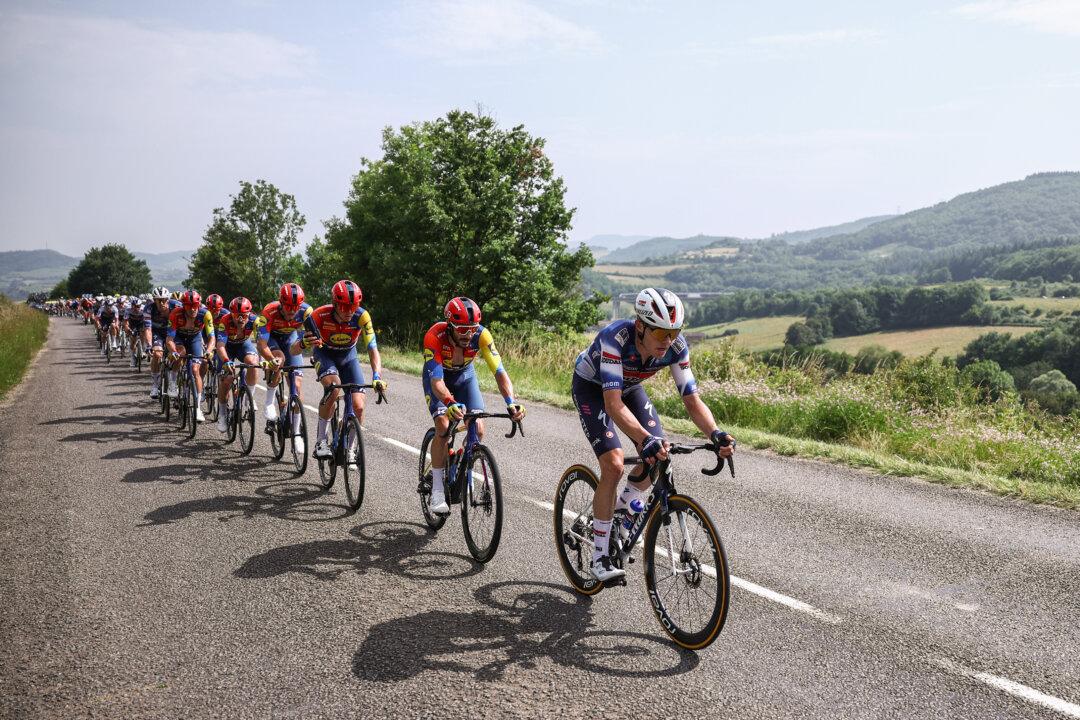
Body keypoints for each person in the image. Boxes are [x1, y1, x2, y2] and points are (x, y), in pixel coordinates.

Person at [571, 287, 735, 582]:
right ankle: (598, 558)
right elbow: (612, 404)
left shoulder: (675, 346)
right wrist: (644, 439)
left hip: (630, 389)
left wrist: (716, 433)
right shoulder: (614, 339)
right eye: (661, 334)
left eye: (674, 332)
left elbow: (692, 400)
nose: (668, 341)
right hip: (593, 389)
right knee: (614, 464)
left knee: (659, 453)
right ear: (641, 326)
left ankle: (620, 514)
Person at [421, 297, 525, 514]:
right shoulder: (435, 336)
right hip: (439, 379)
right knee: (442, 425)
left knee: (477, 427)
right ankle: (438, 489)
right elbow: (437, 382)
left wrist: (511, 402)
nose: (468, 334)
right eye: (461, 329)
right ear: (449, 325)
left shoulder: (482, 336)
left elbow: (499, 372)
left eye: (472, 329)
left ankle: (462, 459)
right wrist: (449, 402)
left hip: (464, 377)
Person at [294, 280, 387, 459]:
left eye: (354, 306)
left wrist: (377, 375)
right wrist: (304, 343)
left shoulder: (362, 316)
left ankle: (349, 449)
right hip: (325, 355)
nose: (349, 311)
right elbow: (294, 349)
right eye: (344, 307)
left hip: (348, 357)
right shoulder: (318, 316)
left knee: (359, 406)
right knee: (334, 388)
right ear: (335, 304)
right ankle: (321, 441)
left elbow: (372, 349)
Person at [254, 283, 312, 450]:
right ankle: (269, 403)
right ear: (281, 302)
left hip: (290, 339)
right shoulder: (269, 311)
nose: (292, 310)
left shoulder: (306, 311)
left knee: (297, 387)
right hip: (271, 339)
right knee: (279, 359)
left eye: (295, 306)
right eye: (288, 306)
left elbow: (315, 336)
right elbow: (261, 344)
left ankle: (296, 433)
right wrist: (271, 359)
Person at [165, 290, 216, 423]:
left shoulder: (205, 314)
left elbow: (212, 338)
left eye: (195, 305)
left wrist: (209, 350)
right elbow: (169, 338)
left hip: (195, 338)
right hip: (179, 338)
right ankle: (173, 381)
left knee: (195, 370)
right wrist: (173, 351)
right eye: (189, 305)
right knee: (180, 353)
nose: (193, 308)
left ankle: (198, 407)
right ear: (183, 305)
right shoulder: (175, 313)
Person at [213, 296, 260, 433]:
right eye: (237, 315)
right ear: (231, 314)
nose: (241, 319)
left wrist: (264, 359)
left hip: (243, 345)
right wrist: (227, 361)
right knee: (227, 379)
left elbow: (263, 342)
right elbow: (220, 345)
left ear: (249, 314)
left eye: (244, 316)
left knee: (253, 363)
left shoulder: (254, 320)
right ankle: (222, 413)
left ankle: (248, 398)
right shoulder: (225, 320)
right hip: (227, 348)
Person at [143, 287, 180, 399]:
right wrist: (149, 345)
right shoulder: (149, 308)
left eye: (164, 300)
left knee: (178, 354)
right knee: (157, 354)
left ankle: (175, 380)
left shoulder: (176, 306)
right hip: (157, 332)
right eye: (159, 300)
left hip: (173, 333)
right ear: (154, 300)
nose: (162, 303)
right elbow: (148, 329)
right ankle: (155, 384)